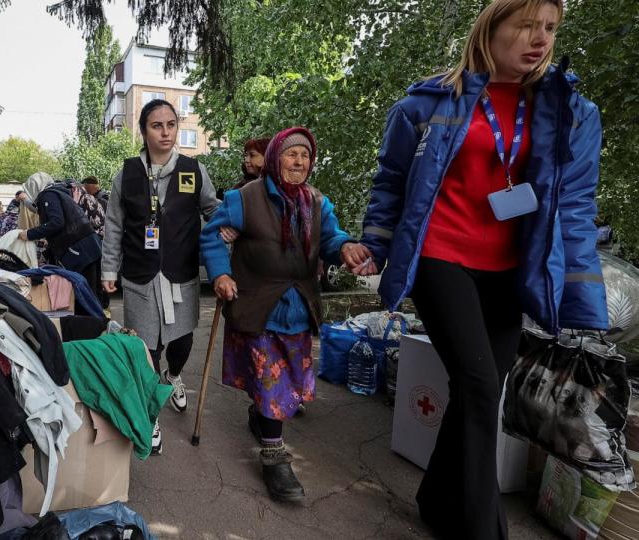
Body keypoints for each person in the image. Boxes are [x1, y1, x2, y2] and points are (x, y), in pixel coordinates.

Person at [356, 1, 607, 537]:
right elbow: (391, 181)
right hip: (440, 257)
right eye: (525, 24)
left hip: (509, 271)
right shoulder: (428, 102)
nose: (539, 38)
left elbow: (577, 206)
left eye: (550, 28)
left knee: (484, 390)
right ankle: (482, 530)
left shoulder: (568, 112)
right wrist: (374, 244)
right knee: (477, 383)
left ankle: (435, 497)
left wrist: (584, 294)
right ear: (490, 28)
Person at [200, 127, 370, 502]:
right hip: (258, 299)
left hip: (298, 302)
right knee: (269, 375)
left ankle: (261, 414)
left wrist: (345, 249)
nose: (299, 162)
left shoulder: (316, 202)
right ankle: (275, 455)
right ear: (276, 158)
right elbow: (211, 236)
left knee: (287, 379)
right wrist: (221, 273)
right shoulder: (244, 198)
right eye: (291, 154)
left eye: (305, 156)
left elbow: (330, 238)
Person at [101, 99, 219, 455]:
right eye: (157, 125)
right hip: (140, 276)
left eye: (171, 124)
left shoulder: (193, 170)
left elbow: (213, 210)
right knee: (146, 347)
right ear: (144, 131)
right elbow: (114, 226)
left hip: (181, 276)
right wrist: (109, 269)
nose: (165, 132)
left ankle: (174, 376)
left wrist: (231, 233)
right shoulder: (127, 175)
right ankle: (150, 412)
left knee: (181, 343)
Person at [19, 172, 103, 312]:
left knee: (85, 294)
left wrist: (29, 234)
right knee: (91, 292)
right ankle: (95, 323)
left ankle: (89, 325)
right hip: (88, 247)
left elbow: (56, 222)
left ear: (35, 187)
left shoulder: (48, 195)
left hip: (79, 251)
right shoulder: (59, 193)